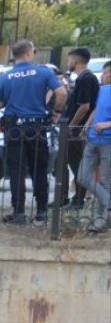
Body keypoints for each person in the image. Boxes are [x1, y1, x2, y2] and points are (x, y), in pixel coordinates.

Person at [0, 39, 67, 224]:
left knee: (16, 171)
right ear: (28, 53)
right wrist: (56, 113)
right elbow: (62, 93)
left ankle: (18, 213)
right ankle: (41, 211)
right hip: (36, 127)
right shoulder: (43, 72)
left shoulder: (5, 76)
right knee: (39, 170)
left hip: (14, 129)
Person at [62, 48, 100, 209]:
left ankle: (78, 199)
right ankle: (68, 197)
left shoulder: (86, 79)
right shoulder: (83, 78)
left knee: (78, 164)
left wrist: (71, 126)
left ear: (76, 61)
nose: (68, 63)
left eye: (69, 60)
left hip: (77, 129)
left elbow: (84, 106)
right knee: (70, 163)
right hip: (77, 127)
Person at [76, 60, 111, 232]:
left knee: (105, 181)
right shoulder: (102, 90)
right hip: (93, 138)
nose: (102, 76)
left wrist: (106, 125)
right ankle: (108, 203)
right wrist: (87, 125)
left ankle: (100, 220)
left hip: (108, 141)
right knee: (82, 176)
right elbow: (96, 109)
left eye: (105, 73)